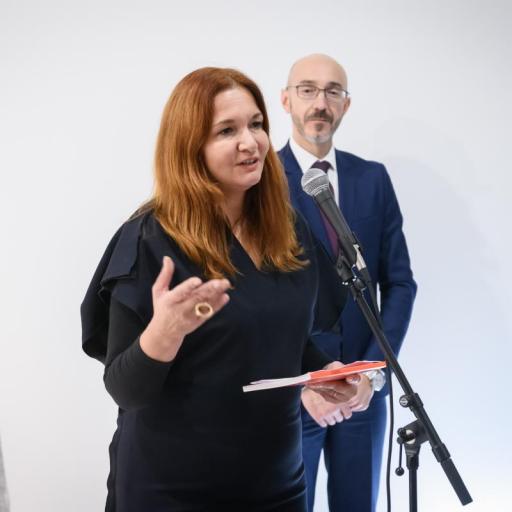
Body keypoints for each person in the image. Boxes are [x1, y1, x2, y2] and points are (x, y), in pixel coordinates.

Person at [80, 66, 361, 512]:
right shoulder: (149, 240)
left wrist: (327, 373)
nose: (250, 142)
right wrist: (166, 332)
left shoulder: (287, 228)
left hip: (278, 485)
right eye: (227, 131)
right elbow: (125, 390)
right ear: (190, 147)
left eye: (256, 124)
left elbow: (280, 338)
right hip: (174, 492)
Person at [279, 54, 417, 512]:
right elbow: (251, 299)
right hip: (294, 396)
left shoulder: (372, 179)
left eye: (332, 91)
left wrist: (372, 373)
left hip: (362, 394)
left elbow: (400, 283)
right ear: (286, 100)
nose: (320, 102)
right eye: (307, 90)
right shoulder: (262, 181)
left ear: (346, 104)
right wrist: (301, 386)